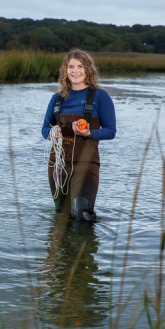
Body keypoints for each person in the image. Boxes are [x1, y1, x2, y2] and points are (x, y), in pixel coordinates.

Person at [42, 49, 116, 222]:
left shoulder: (100, 96)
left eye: (80, 66)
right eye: (70, 67)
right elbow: (45, 129)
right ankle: (63, 249)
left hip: (87, 164)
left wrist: (89, 132)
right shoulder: (56, 99)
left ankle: (85, 247)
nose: (75, 71)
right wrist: (52, 132)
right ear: (65, 71)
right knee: (62, 215)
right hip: (58, 165)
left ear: (88, 69)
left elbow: (111, 131)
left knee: (82, 214)